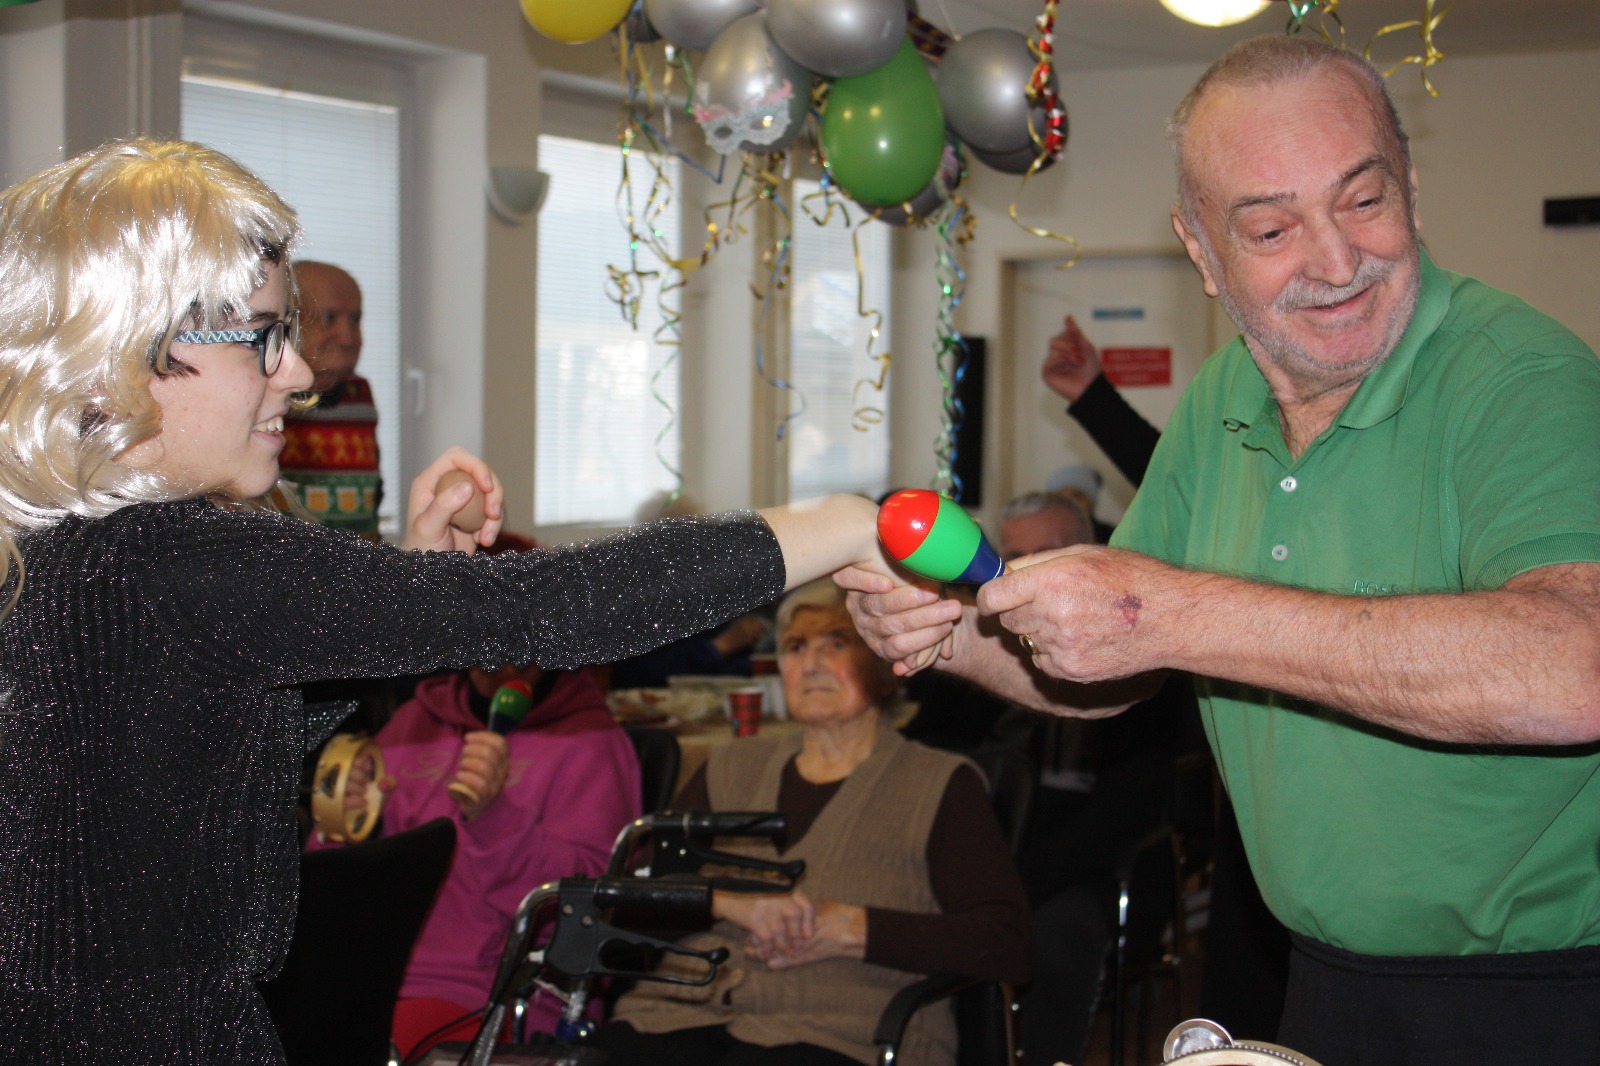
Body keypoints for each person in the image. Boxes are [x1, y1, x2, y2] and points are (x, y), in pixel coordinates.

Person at [0, 139, 894, 1066]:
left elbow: (180, 767)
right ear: (130, 349)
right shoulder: (173, 556)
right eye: (261, 336)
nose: (296, 373)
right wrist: (839, 523)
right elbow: (550, 607)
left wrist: (412, 586)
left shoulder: (64, 554)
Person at [839, 35, 1600, 1066]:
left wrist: (1169, 611)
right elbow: (1117, 668)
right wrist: (951, 635)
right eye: (1273, 228)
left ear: (1411, 187)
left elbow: (1576, 666)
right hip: (1323, 976)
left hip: (1543, 995)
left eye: (1363, 200)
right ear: (1199, 248)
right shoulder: (1221, 396)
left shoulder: (1522, 379)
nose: (1337, 261)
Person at [594, 581, 1031, 1066]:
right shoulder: (728, 768)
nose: (812, 664)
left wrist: (853, 928)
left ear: (887, 669)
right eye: (796, 647)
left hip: (844, 1034)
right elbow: (629, 906)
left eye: (837, 644)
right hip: (677, 1017)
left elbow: (1006, 943)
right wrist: (724, 904)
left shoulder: (939, 784)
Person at [307, 649, 641, 1060]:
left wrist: (494, 817)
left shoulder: (590, 743)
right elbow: (331, 891)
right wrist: (341, 825)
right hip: (367, 977)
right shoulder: (413, 722)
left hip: (489, 996)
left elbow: (586, 910)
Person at [277, 261, 383, 538]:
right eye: (328, 318)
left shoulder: (359, 396)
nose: (347, 338)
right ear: (287, 323)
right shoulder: (267, 403)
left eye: (355, 320)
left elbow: (371, 497)